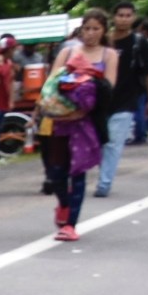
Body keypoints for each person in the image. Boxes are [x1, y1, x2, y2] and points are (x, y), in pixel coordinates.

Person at [42, 14, 115, 240]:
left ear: (103, 31)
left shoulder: (109, 55)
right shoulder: (67, 52)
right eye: (87, 28)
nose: (91, 33)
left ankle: (70, 224)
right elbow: (51, 83)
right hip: (60, 121)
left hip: (87, 123)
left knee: (78, 172)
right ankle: (64, 203)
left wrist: (86, 93)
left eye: (96, 29)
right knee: (56, 172)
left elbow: (109, 88)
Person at [97, 3, 148, 197]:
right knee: (97, 142)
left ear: (133, 18)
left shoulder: (139, 43)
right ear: (113, 17)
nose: (123, 19)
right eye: (120, 15)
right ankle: (99, 174)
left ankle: (104, 183)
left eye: (128, 15)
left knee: (113, 143)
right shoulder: (104, 41)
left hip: (126, 100)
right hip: (100, 100)